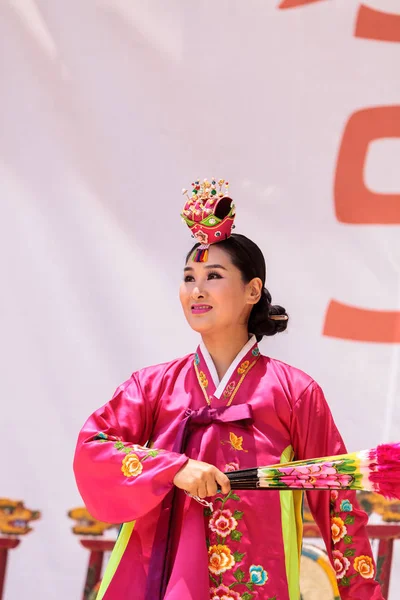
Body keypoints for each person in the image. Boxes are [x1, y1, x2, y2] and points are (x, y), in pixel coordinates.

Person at [74, 179, 384, 600]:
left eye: (213, 276)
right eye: (189, 277)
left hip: (259, 581)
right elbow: (94, 448)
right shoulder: (153, 386)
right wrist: (172, 469)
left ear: (252, 290)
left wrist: (362, 594)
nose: (196, 290)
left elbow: (335, 500)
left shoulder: (293, 392)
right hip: (163, 580)